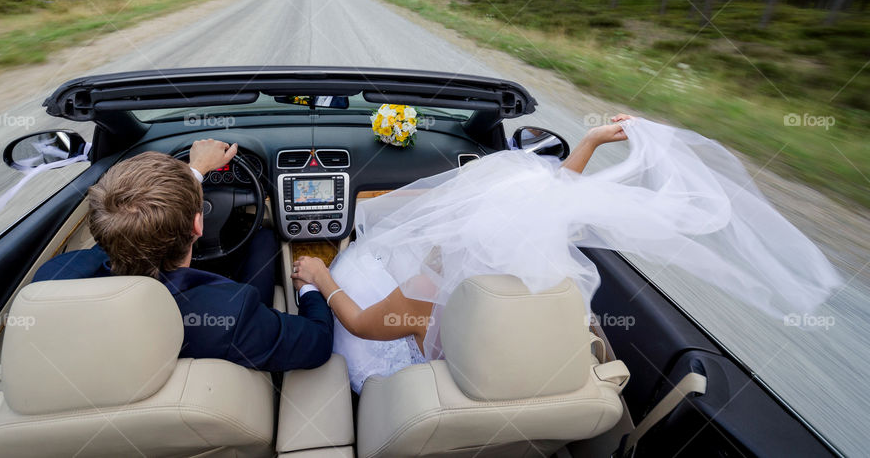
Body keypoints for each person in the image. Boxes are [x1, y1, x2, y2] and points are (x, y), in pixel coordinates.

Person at [291, 116, 841, 392]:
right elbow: (544, 204)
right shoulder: (539, 274)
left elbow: (363, 323)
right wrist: (591, 143)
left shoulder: (429, 291)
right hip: (498, 370)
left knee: (351, 269)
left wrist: (318, 274)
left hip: (410, 381)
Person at [35, 139, 333, 372]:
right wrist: (311, 286)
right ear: (199, 223)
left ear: (101, 229)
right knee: (263, 237)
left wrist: (194, 173)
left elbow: (123, 228)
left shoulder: (54, 280)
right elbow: (318, 343)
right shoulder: (229, 316)